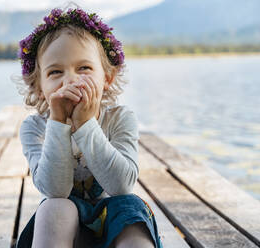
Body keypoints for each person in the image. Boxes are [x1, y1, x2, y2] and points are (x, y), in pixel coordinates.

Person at [15, 4, 164, 248]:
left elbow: (121, 185)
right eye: (55, 72)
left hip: (114, 224)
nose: (70, 79)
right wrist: (58, 122)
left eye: (83, 68)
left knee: (130, 206)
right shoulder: (34, 128)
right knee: (54, 207)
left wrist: (85, 124)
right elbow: (55, 190)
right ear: (39, 88)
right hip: (65, 230)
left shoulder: (119, 119)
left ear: (107, 78)